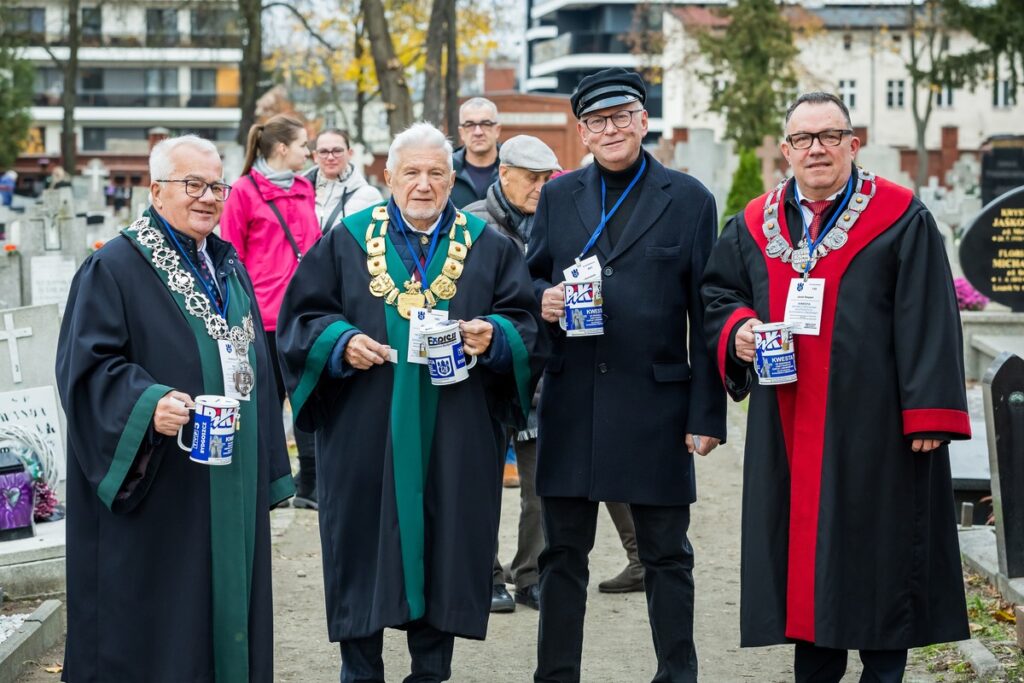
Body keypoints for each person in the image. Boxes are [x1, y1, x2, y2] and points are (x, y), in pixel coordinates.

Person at [700, 91, 971, 683]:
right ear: (785, 149)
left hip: (876, 426)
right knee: (801, 555)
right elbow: (719, 297)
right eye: (803, 138)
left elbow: (929, 313)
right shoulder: (752, 224)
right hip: (788, 422)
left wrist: (928, 414)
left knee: (880, 551)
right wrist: (739, 332)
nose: (815, 149)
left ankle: (882, 673)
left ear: (854, 143)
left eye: (829, 136)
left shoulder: (901, 216)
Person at [276, 122, 545, 682]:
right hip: (365, 429)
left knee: (447, 542)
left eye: (436, 174)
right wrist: (341, 343)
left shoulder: (488, 246)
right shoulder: (347, 240)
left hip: (456, 429)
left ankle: (430, 672)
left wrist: (494, 334)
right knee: (359, 543)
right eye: (411, 173)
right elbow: (300, 321)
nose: (423, 185)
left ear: (453, 180)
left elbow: (527, 324)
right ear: (389, 176)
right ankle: (361, 670)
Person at [55, 134, 294, 682]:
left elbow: (253, 360)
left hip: (225, 477)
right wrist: (148, 403)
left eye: (217, 186)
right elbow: (86, 370)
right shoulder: (114, 268)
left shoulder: (226, 265)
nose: (208, 197)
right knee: (164, 629)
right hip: (163, 487)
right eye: (193, 185)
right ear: (156, 190)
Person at [527, 67, 726, 683]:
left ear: (643, 121)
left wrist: (706, 413)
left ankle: (677, 673)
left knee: (668, 554)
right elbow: (529, 278)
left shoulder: (689, 199)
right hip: (572, 400)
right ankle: (555, 675)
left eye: (622, 117)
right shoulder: (559, 196)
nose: (610, 129)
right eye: (596, 121)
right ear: (581, 133)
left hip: (656, 408)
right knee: (562, 555)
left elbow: (708, 309)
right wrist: (543, 300)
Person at [463, 134, 560, 613]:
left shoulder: (557, 220)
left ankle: (531, 574)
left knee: (540, 488)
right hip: (486, 374)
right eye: (531, 178)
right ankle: (486, 573)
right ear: (504, 174)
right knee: (481, 484)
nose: (541, 187)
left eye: (547, 178)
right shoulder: (472, 224)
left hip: (540, 376)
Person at [221, 114, 322, 509]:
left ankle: (312, 484)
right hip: (261, 317)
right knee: (264, 403)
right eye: (303, 145)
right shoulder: (243, 191)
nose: (308, 152)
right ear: (281, 148)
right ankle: (270, 486)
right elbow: (232, 254)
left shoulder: (304, 187)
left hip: (302, 314)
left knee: (308, 396)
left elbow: (312, 246)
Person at [304, 128, 383, 233]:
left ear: (350, 153)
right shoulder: (299, 193)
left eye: (337, 151)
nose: (330, 157)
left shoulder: (369, 196)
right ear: (315, 156)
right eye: (323, 152)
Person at [451, 97, 501, 208]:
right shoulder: (446, 169)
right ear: (461, 132)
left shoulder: (513, 169)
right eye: (469, 125)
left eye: (485, 124)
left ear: (497, 130)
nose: (478, 132)